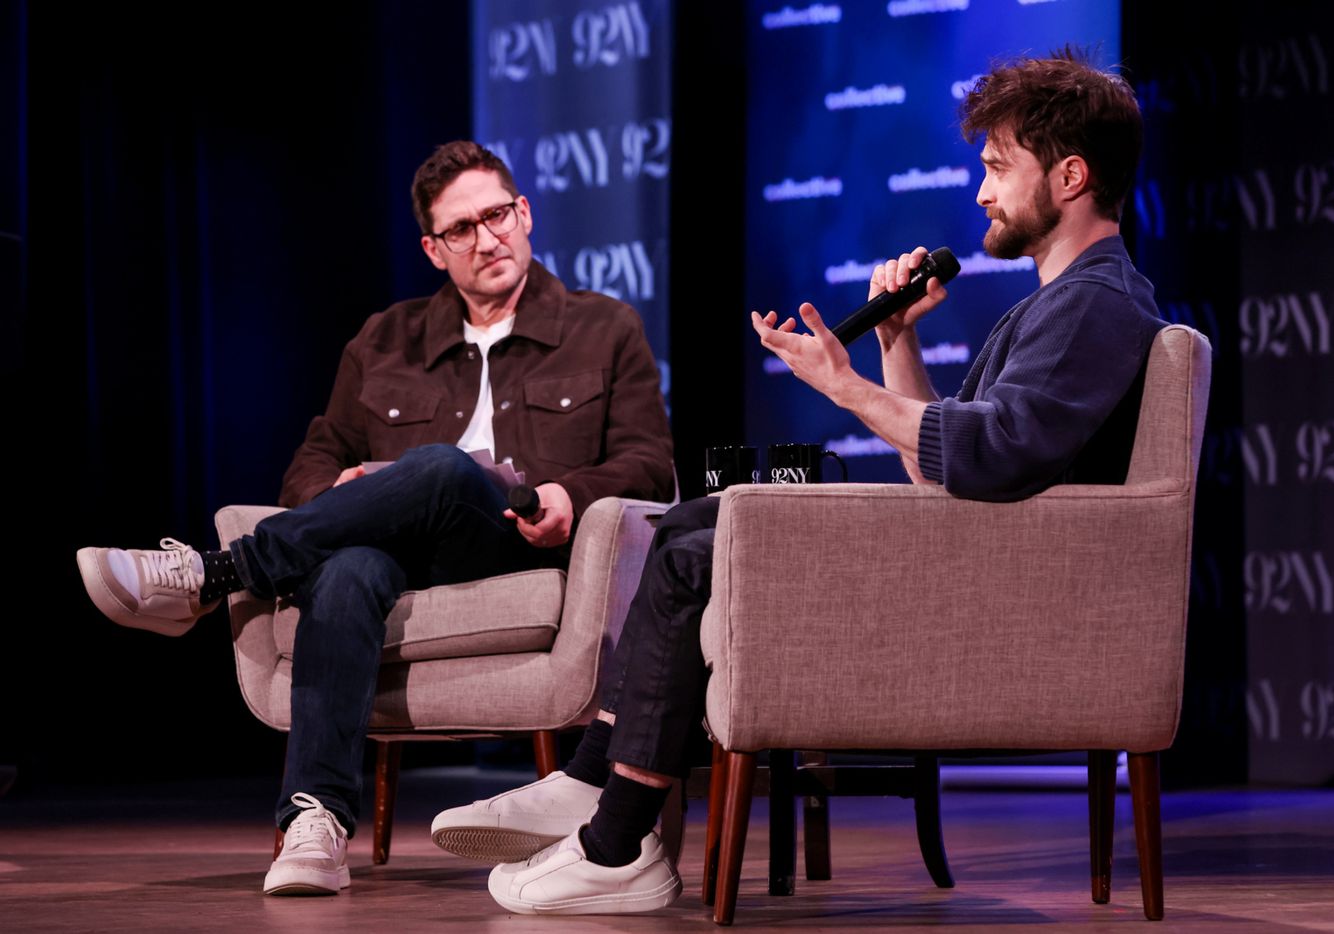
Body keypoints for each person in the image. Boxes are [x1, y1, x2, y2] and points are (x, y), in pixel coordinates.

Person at [429, 50, 1167, 917]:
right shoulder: (1060, 303)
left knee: (703, 540)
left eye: (998, 168)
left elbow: (983, 456)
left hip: (998, 597)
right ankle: (601, 792)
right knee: (694, 526)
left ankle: (617, 835)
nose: (980, 194)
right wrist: (895, 342)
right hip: (980, 565)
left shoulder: (1097, 304)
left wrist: (840, 383)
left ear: (1070, 175)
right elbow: (951, 458)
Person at [75, 141, 674, 896]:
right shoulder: (384, 340)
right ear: (433, 248)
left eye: (496, 215)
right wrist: (347, 484)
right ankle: (314, 824)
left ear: (525, 214)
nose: (486, 239)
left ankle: (212, 574)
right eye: (462, 229)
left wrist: (571, 496)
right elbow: (309, 468)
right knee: (348, 570)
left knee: (442, 467)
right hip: (395, 557)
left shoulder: (603, 327)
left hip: (512, 544)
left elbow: (650, 463)